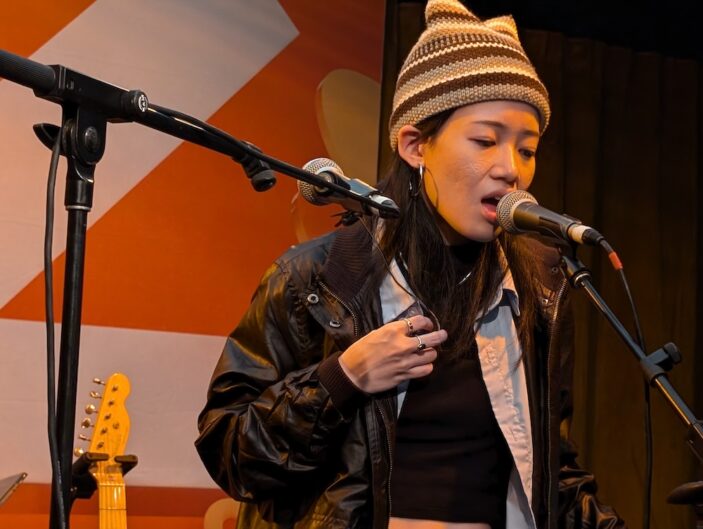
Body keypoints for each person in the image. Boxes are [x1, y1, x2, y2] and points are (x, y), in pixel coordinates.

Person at [195, 1, 627, 528]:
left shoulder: (540, 283)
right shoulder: (318, 277)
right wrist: (342, 377)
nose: (510, 169)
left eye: (527, 150)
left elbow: (553, 470)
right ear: (416, 145)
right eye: (485, 141)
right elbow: (231, 454)